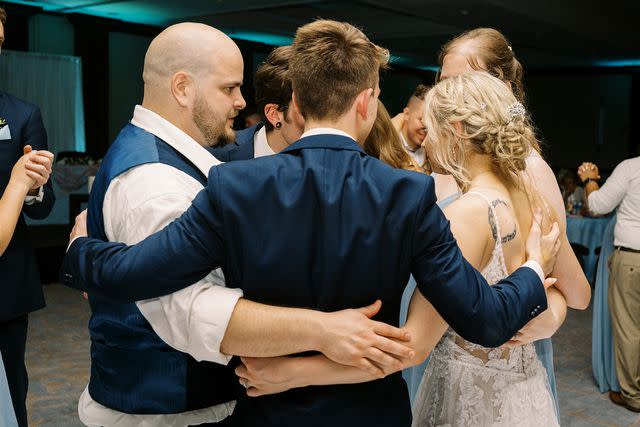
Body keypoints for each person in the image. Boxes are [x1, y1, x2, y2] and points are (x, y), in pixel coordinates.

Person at [61, 20, 557, 427]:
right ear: (367, 102)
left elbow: (137, 274)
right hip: (370, 415)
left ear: (296, 102)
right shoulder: (407, 194)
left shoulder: (236, 187)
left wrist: (82, 250)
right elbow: (487, 319)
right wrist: (533, 269)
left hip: (267, 409)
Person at [72, 23, 412, 427]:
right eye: (229, 88)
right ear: (183, 87)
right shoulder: (155, 180)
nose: (241, 101)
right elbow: (190, 311)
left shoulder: (173, 158)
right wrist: (323, 330)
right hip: (168, 412)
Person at [434, 27, 591, 416]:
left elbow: (564, 281)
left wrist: (551, 317)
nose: (449, 96)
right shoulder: (437, 166)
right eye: (444, 83)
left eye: (465, 82)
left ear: (500, 87)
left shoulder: (528, 172)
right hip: (439, 351)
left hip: (496, 358)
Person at [0, 8, 56, 426]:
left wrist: (33, 187)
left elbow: (46, 201)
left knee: (9, 386)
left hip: (4, 281)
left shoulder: (21, 115)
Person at [579, 158, 640, 412]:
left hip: (633, 257)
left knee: (629, 327)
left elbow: (598, 206)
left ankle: (633, 395)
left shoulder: (631, 168)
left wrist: (590, 180)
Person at [211, 45, 304, 162]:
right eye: (310, 110)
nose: (324, 121)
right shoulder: (216, 157)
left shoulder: (330, 160)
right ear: (274, 115)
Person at [363, 100, 422, 172]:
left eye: (429, 121)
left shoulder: (432, 154)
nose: (426, 126)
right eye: (421, 119)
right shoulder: (381, 147)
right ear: (406, 114)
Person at [391, 84, 431, 172]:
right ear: (406, 114)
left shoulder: (433, 157)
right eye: (421, 119)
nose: (427, 128)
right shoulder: (386, 147)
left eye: (431, 122)